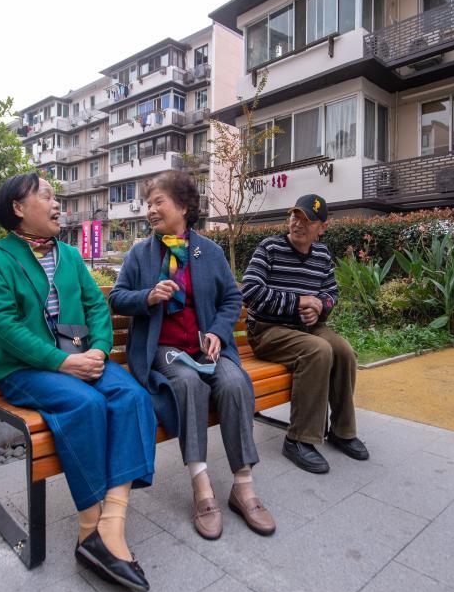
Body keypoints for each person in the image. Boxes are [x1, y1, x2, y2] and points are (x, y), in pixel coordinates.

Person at [0, 172, 155, 592]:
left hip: (82, 357)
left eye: (57, 198)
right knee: (86, 404)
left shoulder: (69, 256)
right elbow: (3, 326)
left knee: (131, 396)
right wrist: (61, 362)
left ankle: (110, 526)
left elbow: (96, 308)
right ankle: (89, 527)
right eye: (47, 196)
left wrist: (100, 351)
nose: (58, 205)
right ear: (18, 207)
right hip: (24, 370)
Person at [110, 171, 275, 540]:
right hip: (164, 350)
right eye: (148, 204)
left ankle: (243, 486)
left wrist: (217, 332)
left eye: (159, 202)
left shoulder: (209, 252)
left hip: (205, 348)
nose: (151, 210)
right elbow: (117, 298)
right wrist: (148, 296)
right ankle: (202, 487)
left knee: (234, 382)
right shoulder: (140, 254)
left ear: (183, 207)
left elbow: (232, 298)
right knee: (188, 384)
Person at [241, 194, 369, 474]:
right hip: (267, 330)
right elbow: (250, 291)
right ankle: (299, 439)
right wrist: (299, 302)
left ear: (322, 228)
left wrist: (320, 306)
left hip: (307, 328)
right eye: (295, 217)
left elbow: (331, 293)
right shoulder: (269, 248)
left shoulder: (322, 255)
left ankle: (342, 431)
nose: (298, 224)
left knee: (344, 351)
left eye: (307, 220)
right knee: (318, 350)